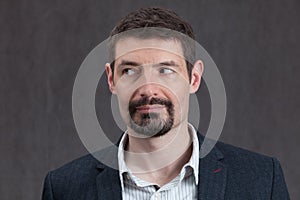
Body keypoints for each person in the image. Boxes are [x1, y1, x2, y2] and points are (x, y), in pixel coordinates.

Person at [42, 7, 290, 200]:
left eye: (165, 70)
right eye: (130, 70)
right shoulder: (64, 188)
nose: (148, 89)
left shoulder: (260, 180)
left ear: (194, 78)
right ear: (111, 79)